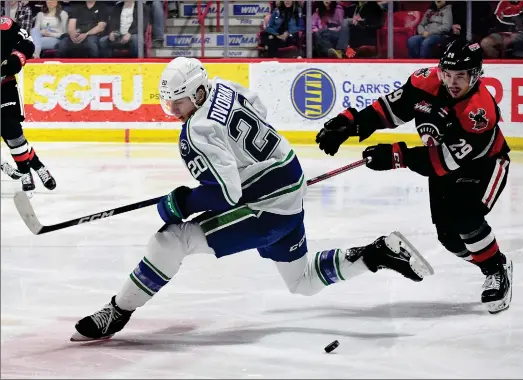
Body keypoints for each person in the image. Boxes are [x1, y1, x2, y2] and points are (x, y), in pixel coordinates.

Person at [70, 57, 434, 342]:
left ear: (197, 93)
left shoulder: (197, 130)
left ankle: (117, 312)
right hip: (289, 186)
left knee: (169, 239)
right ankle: (376, 253)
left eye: (178, 103)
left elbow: (227, 193)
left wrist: (180, 202)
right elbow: (258, 109)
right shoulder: (224, 86)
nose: (174, 111)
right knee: (302, 281)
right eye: (169, 104)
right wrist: (255, 166)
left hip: (267, 210)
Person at [315, 40, 513, 314]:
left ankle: (496, 270)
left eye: (461, 77)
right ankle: (491, 260)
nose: (452, 82)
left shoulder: (478, 112)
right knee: (449, 238)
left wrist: (397, 156)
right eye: (448, 74)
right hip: (443, 165)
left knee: (465, 217)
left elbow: (444, 161)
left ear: (475, 76)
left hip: (484, 165)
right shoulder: (425, 82)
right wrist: (350, 124)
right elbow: (387, 110)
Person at [1, 16, 56, 192]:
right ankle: (38, 166)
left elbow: (27, 42)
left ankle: (25, 172)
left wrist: (16, 59)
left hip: (5, 87)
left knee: (13, 134)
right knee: (11, 137)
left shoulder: (5, 25)